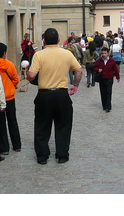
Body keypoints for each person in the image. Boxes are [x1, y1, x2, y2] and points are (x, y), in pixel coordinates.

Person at [27, 28, 82, 164]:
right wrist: (75, 84)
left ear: (44, 40)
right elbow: (79, 70)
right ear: (58, 40)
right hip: (62, 94)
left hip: (44, 95)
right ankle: (62, 155)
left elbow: (32, 76)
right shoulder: (67, 54)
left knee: (41, 126)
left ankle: (42, 156)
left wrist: (27, 73)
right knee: (63, 125)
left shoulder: (39, 55)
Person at [0, 42, 22, 154]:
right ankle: (17, 145)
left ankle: (4, 148)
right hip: (10, 97)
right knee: (12, 121)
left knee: (1, 123)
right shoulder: (10, 65)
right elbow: (16, 79)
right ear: (4, 53)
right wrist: (11, 85)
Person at [94, 47, 121, 112]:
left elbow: (115, 69)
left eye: (105, 53)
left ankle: (108, 106)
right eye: (103, 53)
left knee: (108, 92)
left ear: (108, 53)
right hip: (102, 78)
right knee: (103, 92)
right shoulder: (99, 60)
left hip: (109, 78)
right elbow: (95, 67)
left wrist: (117, 77)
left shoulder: (112, 60)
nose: (104, 55)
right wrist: (98, 69)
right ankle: (104, 105)